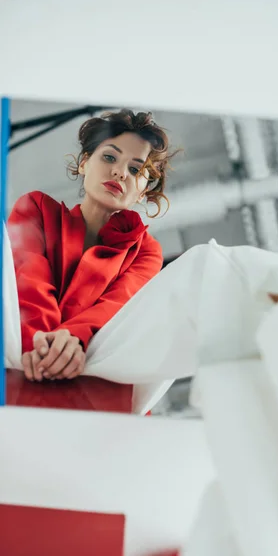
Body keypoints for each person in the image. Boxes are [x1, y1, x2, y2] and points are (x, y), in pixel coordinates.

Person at [8, 109, 176, 383]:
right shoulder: (36, 208)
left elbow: (117, 306)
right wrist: (42, 347)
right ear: (85, 162)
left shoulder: (145, 250)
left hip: (94, 382)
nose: (120, 172)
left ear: (144, 190)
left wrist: (73, 337)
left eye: (135, 169)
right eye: (109, 157)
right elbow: (29, 288)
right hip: (26, 362)